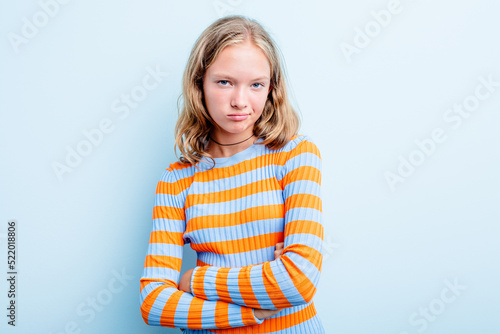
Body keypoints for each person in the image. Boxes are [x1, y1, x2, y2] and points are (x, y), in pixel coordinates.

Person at [139, 15, 325, 333]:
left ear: (271, 89)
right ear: (199, 84)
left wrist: (195, 279)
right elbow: (154, 303)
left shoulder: (296, 155)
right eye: (225, 82)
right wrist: (254, 312)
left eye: (256, 85)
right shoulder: (176, 180)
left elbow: (298, 281)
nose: (240, 101)